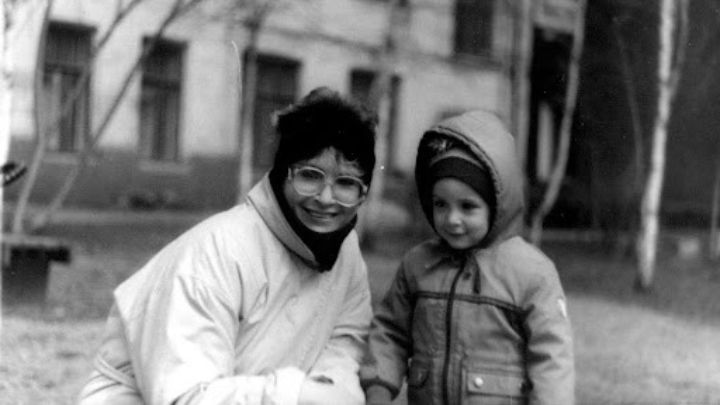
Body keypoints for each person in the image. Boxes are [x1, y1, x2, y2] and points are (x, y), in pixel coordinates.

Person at [78, 87, 377, 405]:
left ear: (363, 192)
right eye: (310, 176)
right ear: (282, 173)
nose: (326, 199)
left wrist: (332, 387)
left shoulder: (346, 251)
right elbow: (185, 396)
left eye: (346, 183)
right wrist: (297, 394)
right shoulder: (220, 251)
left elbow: (345, 342)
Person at [361, 110, 574, 405]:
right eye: (440, 204)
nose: (452, 219)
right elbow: (390, 332)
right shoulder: (418, 264)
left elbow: (551, 359)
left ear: (497, 203)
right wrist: (378, 388)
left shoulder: (532, 273)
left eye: (468, 206)